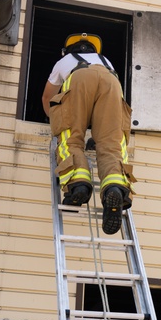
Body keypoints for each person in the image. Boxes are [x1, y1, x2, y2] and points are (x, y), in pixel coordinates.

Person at [42, 32, 134, 235]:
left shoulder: (64, 61)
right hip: (112, 83)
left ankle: (78, 184)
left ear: (66, 51)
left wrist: (57, 119)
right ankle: (114, 187)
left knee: (71, 138)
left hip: (79, 79)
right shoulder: (106, 61)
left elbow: (47, 97)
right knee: (111, 143)